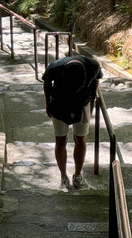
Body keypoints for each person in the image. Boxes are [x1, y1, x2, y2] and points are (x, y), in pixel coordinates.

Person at [42, 55, 103, 191]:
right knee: (60, 140)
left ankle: (78, 175)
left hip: (82, 104)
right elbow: (46, 82)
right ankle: (63, 177)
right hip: (59, 103)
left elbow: (96, 80)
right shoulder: (55, 67)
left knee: (80, 139)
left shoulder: (93, 66)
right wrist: (47, 104)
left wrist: (92, 101)